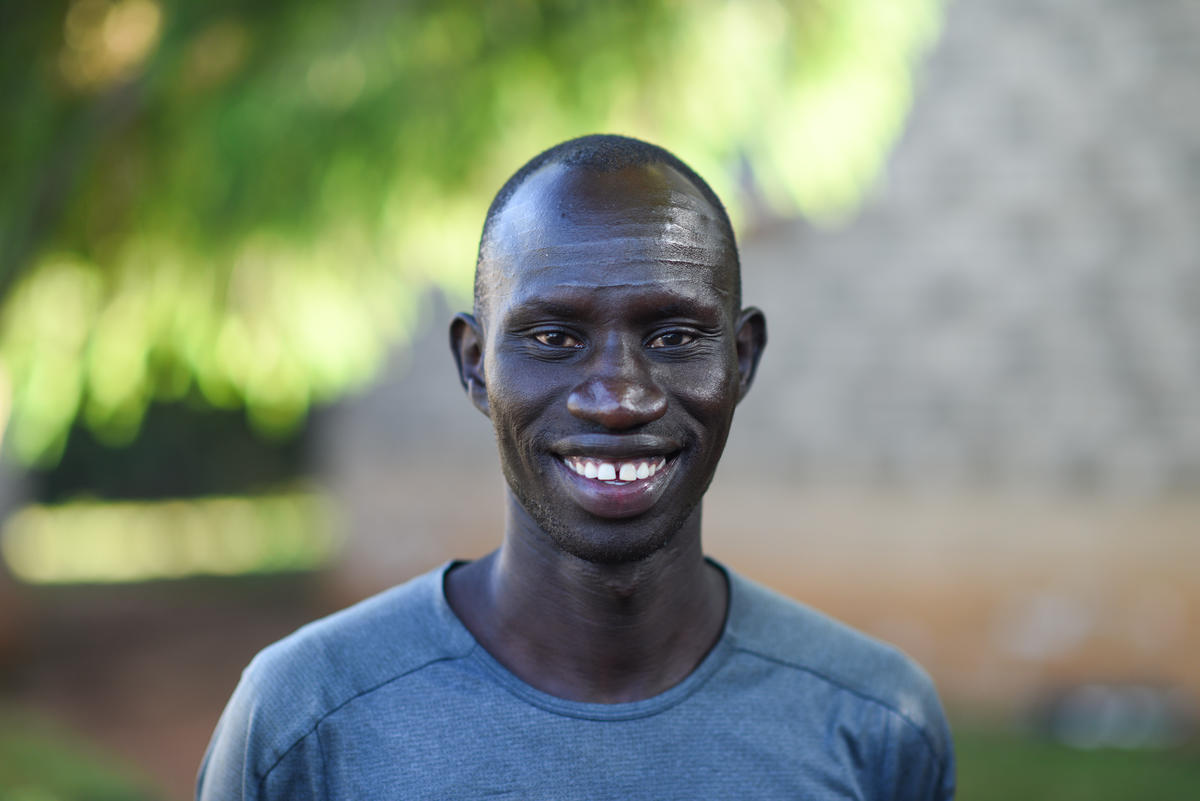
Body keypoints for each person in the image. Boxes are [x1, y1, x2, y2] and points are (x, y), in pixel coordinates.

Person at [197, 134, 956, 800]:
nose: (619, 398)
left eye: (673, 335)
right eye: (555, 337)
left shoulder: (875, 723)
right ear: (474, 365)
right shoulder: (307, 718)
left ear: (742, 358)